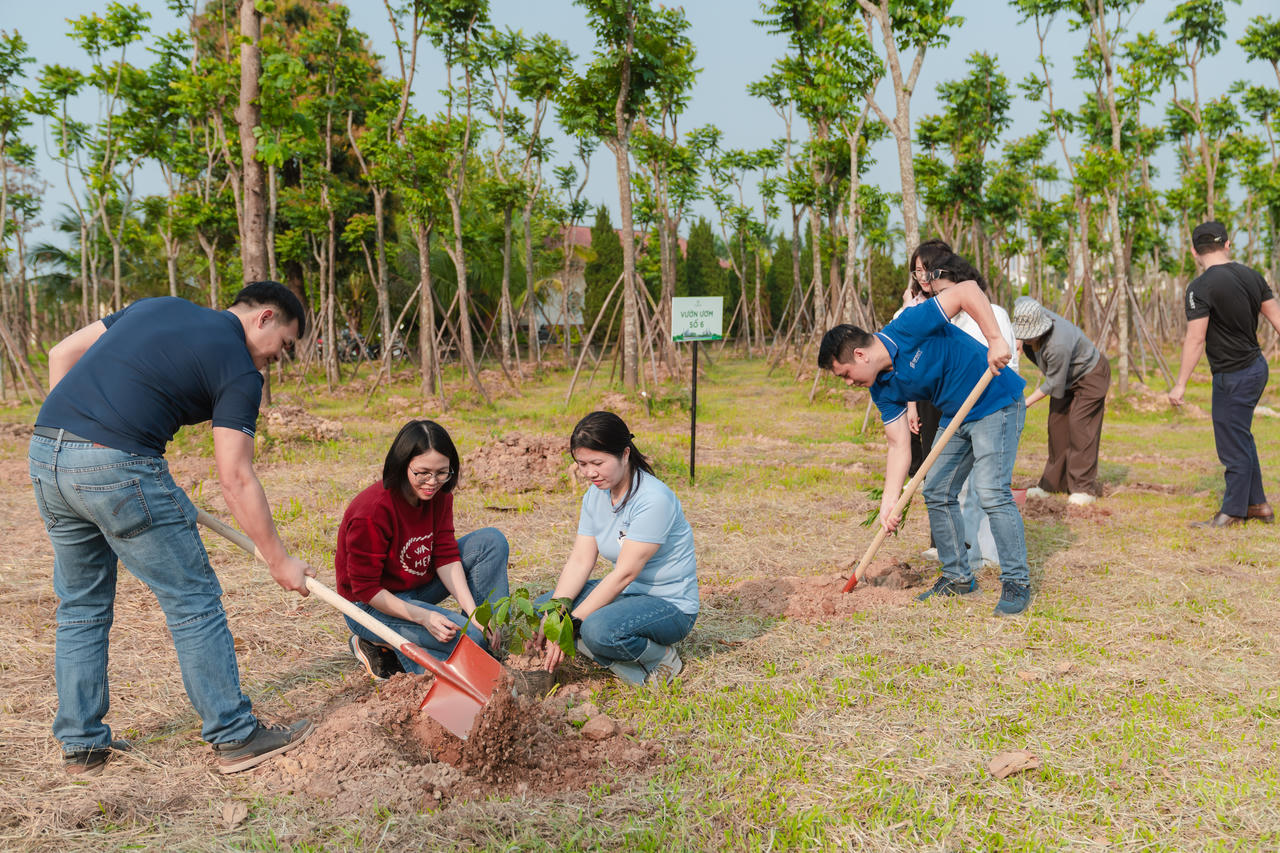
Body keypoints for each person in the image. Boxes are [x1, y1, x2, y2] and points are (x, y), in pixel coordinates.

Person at [28, 282, 316, 776]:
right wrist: (278, 558)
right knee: (193, 600)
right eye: (285, 345)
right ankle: (235, 734)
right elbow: (236, 476)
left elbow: (62, 352)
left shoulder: (155, 306)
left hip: (46, 453)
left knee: (81, 607)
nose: (278, 360)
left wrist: (77, 438)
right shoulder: (240, 369)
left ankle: (82, 746)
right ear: (265, 317)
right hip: (115, 463)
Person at [817, 256, 1034, 616]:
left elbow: (966, 290)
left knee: (992, 491)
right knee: (936, 489)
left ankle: (1016, 581)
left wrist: (995, 340)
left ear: (860, 354)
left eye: (846, 374)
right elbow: (899, 444)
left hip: (995, 400)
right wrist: (889, 502)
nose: (850, 383)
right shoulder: (881, 389)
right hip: (957, 414)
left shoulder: (908, 325)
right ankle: (957, 577)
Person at [334, 420, 510, 678]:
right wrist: (423, 617)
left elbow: (446, 555)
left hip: (415, 588)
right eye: (423, 473)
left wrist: (474, 614)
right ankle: (381, 645)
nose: (432, 482)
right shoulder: (371, 511)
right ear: (402, 464)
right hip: (369, 606)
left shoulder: (439, 496)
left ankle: (489, 639)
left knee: (490, 542)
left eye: (442, 473)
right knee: (468, 640)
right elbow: (366, 589)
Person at [533, 411, 698, 686]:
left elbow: (625, 574)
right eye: (582, 464)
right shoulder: (595, 495)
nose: (589, 473)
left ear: (624, 454)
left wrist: (569, 626)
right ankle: (609, 651)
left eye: (598, 462)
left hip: (668, 604)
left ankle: (660, 659)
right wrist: (558, 613)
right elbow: (580, 560)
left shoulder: (653, 499)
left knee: (598, 631)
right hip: (628, 596)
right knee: (545, 608)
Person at [915, 250, 1021, 576]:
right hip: (956, 414)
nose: (943, 297)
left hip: (991, 408)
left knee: (988, 488)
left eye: (946, 289)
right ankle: (965, 557)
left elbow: (1007, 360)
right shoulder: (945, 321)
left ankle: (992, 557)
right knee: (953, 489)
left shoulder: (994, 313)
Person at [1169, 220, 1280, 527]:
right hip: (1257, 368)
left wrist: (1180, 384)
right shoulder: (1253, 276)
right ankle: (1259, 505)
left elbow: (1195, 338)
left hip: (1233, 375)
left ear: (1194, 251)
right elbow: (1277, 319)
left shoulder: (1200, 288)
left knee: (1231, 443)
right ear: (1228, 245)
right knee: (1240, 435)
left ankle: (1231, 512)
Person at [1013, 296, 1111, 505]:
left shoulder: (1058, 344)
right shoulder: (1029, 311)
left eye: (1029, 336)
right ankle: (1052, 485)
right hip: (1064, 377)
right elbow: (1022, 299)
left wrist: (1025, 403)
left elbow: (1052, 384)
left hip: (1089, 375)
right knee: (1056, 426)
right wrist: (1019, 339)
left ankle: (1083, 488)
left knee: (1080, 426)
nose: (1026, 340)